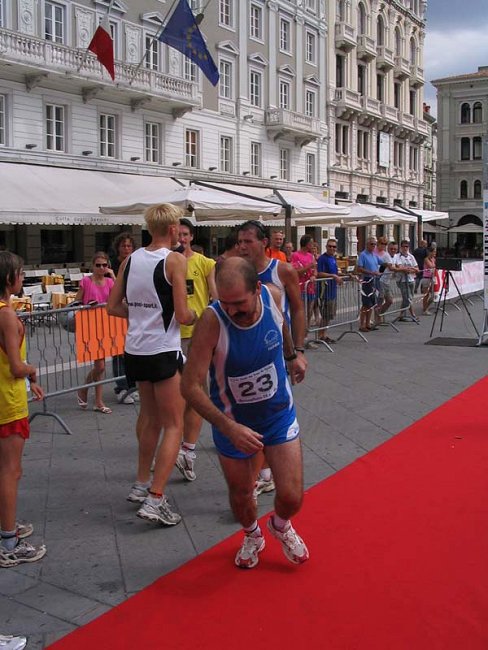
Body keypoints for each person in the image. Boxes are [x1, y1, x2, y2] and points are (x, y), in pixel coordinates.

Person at [181, 257, 309, 569]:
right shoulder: (212, 322)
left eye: (239, 303)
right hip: (233, 422)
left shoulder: (273, 296)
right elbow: (190, 386)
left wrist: (292, 355)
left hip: (278, 413)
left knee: (292, 496)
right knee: (241, 495)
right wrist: (228, 427)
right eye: (225, 303)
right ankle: (252, 535)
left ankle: (280, 525)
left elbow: (282, 324)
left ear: (257, 289)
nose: (232, 310)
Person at [107, 203, 196, 526]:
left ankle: (141, 483)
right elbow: (182, 314)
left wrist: (141, 316)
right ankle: (156, 498)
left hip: (136, 349)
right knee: (174, 424)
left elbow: (112, 306)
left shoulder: (130, 260)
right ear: (172, 229)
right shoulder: (174, 260)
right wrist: (198, 316)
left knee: (149, 418)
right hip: (162, 349)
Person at [237, 220, 307, 496]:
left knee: (269, 412)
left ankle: (264, 472)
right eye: (240, 242)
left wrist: (298, 351)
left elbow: (297, 310)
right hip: (244, 354)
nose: (242, 247)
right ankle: (264, 471)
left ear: (263, 242)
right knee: (248, 413)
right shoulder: (236, 270)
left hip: (276, 352)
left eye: (248, 241)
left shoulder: (282, 270)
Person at [0, 251, 46, 568]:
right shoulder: (6, 315)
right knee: (10, 471)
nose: (22, 277)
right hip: (8, 400)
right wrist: (31, 370)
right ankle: (9, 542)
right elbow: (16, 366)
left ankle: (7, 526)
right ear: (9, 278)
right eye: (20, 273)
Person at [175, 219, 217, 483]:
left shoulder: (205, 263)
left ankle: (186, 448)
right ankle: (173, 446)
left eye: (185, 234)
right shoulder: (166, 262)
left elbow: (215, 296)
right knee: (172, 396)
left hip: (196, 335)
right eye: (178, 234)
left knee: (197, 393)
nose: (181, 238)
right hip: (170, 336)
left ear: (191, 237)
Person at [76, 251, 115, 414]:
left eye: (104, 265)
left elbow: (118, 297)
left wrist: (113, 276)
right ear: (92, 266)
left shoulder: (110, 282)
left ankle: (85, 390)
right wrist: (86, 306)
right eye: (98, 265)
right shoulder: (86, 281)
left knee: (101, 367)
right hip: (90, 325)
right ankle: (97, 400)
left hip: (106, 324)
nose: (101, 268)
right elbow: (76, 302)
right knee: (100, 366)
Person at [110, 232, 138, 405]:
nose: (126, 249)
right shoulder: (112, 265)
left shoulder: (136, 263)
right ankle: (121, 387)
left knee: (131, 350)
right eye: (123, 246)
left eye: (129, 246)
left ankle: (132, 385)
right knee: (118, 352)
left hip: (132, 310)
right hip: (117, 311)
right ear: (118, 248)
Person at [316, 239, 343, 343]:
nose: (332, 248)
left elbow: (335, 273)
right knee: (325, 315)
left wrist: (347, 275)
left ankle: (324, 334)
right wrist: (333, 276)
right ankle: (320, 335)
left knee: (329, 315)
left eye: (334, 246)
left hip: (332, 291)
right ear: (326, 247)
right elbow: (319, 273)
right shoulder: (322, 258)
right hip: (324, 291)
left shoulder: (333, 258)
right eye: (330, 246)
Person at [291, 235, 317, 326]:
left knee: (310, 309)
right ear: (306, 244)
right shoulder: (295, 255)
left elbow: (315, 269)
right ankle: (300, 327)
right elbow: (296, 271)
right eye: (311, 243)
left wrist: (314, 275)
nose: (313, 245)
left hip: (310, 287)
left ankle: (307, 326)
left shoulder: (311, 256)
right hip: (300, 287)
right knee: (301, 310)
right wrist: (309, 266)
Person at [356, 237, 381, 332]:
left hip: (373, 280)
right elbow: (359, 268)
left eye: (375, 244)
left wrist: (389, 264)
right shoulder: (363, 255)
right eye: (371, 244)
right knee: (366, 304)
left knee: (371, 303)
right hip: (366, 280)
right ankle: (362, 325)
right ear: (367, 245)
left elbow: (382, 262)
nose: (373, 246)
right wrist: (371, 272)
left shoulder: (374, 255)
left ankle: (368, 323)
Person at [392, 240, 419, 322]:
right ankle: (413, 314)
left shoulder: (411, 256)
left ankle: (401, 315)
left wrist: (410, 269)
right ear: (401, 247)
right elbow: (400, 267)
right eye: (403, 246)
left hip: (411, 279)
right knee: (407, 298)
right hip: (402, 280)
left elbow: (417, 269)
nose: (405, 248)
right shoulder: (397, 256)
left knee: (408, 298)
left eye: (406, 246)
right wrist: (408, 269)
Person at [376, 241, 398, 323]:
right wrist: (403, 269)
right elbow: (391, 268)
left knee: (389, 301)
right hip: (381, 280)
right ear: (388, 249)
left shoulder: (395, 256)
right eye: (391, 249)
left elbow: (397, 265)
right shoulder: (386, 255)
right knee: (380, 300)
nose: (393, 250)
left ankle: (379, 315)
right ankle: (377, 319)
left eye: (395, 249)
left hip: (387, 281)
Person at [421, 247, 437, 315]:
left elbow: (435, 266)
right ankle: (425, 309)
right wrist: (435, 266)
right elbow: (431, 266)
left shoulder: (433, 259)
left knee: (433, 296)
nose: (435, 253)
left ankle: (425, 307)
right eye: (434, 252)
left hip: (432, 278)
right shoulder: (426, 259)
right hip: (426, 278)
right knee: (426, 295)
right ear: (430, 252)